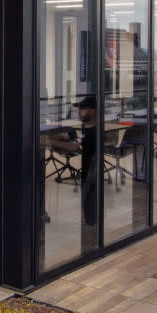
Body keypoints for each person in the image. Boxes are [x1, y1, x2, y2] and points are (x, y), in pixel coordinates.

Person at [42, 95, 101, 227]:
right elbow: (73, 137)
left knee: (89, 208)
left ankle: (91, 232)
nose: (78, 113)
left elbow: (75, 146)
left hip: (91, 174)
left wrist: (49, 142)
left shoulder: (94, 132)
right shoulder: (86, 127)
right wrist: (53, 137)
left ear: (91, 112)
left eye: (81, 109)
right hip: (87, 172)